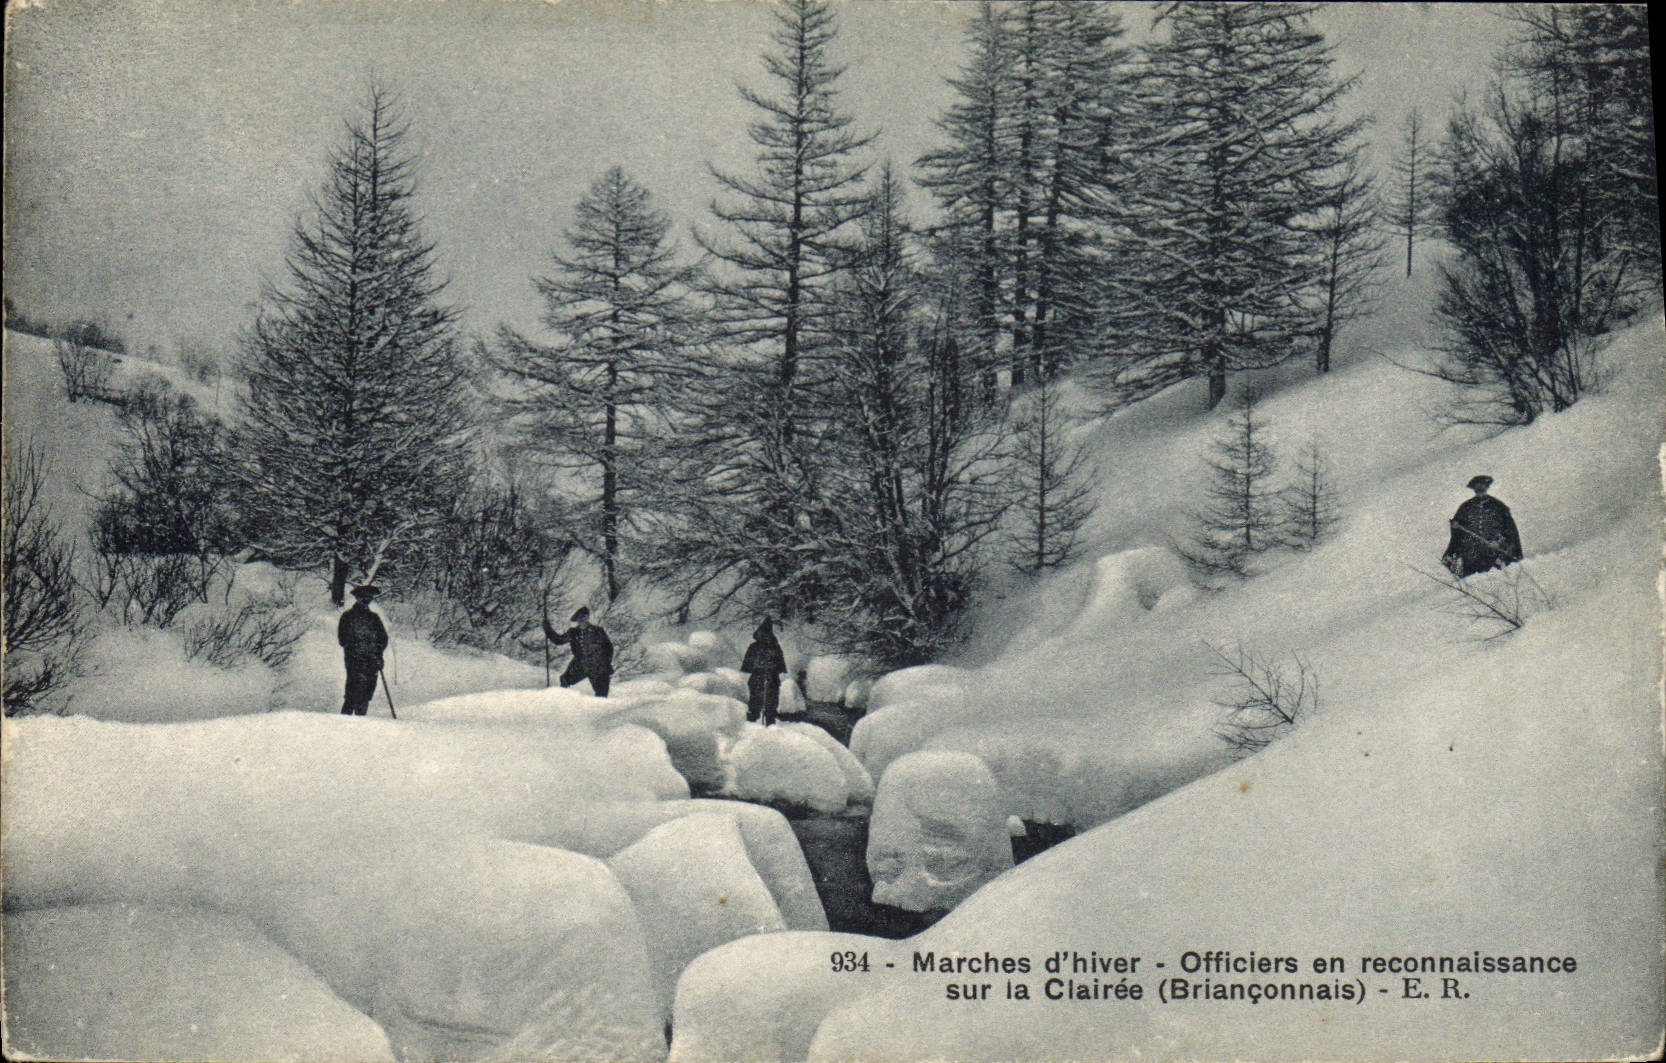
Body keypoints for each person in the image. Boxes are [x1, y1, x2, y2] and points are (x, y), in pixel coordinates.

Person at [1442, 475, 1523, 577]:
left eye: (1482, 485)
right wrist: (1455, 527)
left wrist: (1499, 543)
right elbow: (1457, 535)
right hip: (1471, 556)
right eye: (1477, 486)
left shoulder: (1498, 506)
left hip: (1493, 554)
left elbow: (1510, 531)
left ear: (1487, 487)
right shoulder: (1465, 507)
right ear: (1474, 488)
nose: (1480, 488)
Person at [338, 584, 389, 716]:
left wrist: (377, 652)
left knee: (366, 694)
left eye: (369, 598)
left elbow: (383, 638)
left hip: (372, 660)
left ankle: (361, 722)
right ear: (357, 598)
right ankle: (344, 723)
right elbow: (342, 639)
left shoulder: (374, 618)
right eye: (363, 598)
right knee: (352, 692)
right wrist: (355, 647)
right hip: (354, 660)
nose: (366, 601)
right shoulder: (347, 616)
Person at [543, 605, 614, 697]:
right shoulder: (573, 632)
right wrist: (547, 628)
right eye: (579, 618)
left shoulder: (598, 631)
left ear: (588, 617)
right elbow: (558, 640)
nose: (582, 620)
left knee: (602, 694)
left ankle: (601, 710)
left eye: (584, 617)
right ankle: (564, 703)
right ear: (577, 620)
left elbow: (608, 648)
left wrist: (606, 663)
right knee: (565, 680)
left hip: (598, 666)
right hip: (580, 665)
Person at [739, 618, 786, 726]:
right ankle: (754, 724)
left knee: (770, 704)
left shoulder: (773, 647)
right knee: (756, 703)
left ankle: (768, 725)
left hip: (770, 679)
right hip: (759, 678)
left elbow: (780, 666)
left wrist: (770, 669)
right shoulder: (756, 647)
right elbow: (747, 666)